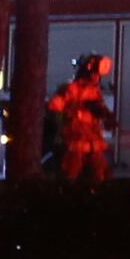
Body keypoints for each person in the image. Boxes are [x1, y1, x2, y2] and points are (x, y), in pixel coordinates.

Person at [49, 55, 115, 183]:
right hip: (75, 142)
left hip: (93, 142)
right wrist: (74, 110)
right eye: (95, 74)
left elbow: (98, 108)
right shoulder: (71, 89)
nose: (97, 78)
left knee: (101, 176)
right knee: (71, 177)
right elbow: (54, 107)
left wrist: (106, 116)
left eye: (98, 75)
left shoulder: (95, 90)